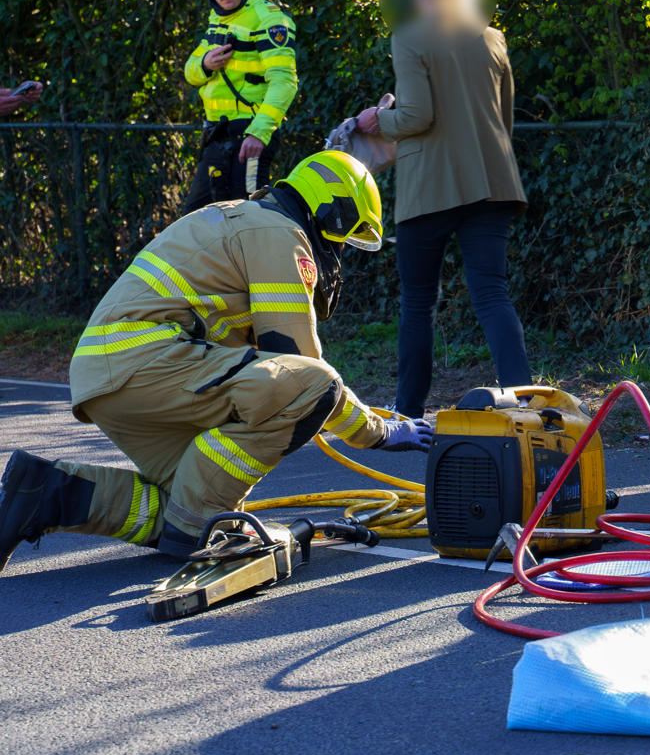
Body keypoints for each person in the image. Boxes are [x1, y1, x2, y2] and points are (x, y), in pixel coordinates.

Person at [0, 151, 428, 570]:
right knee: (314, 385)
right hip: (150, 362)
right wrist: (381, 432)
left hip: (109, 374)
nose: (337, 252)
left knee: (183, 509)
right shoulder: (278, 234)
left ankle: (44, 492)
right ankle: (198, 530)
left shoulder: (239, 216)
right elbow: (301, 366)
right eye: (341, 237)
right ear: (329, 213)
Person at [354, 0, 529, 418]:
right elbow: (503, 120)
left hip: (428, 190)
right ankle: (526, 402)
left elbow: (416, 114)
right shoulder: (493, 38)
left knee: (417, 302)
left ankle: (408, 412)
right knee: (493, 294)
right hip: (493, 185)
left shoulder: (410, 36)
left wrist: (376, 120)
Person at [181, 0, 299, 213]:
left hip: (249, 136)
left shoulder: (269, 19)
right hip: (218, 136)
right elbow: (189, 72)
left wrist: (259, 132)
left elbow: (285, 82)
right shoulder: (218, 19)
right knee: (198, 218)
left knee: (245, 219)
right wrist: (205, 64)